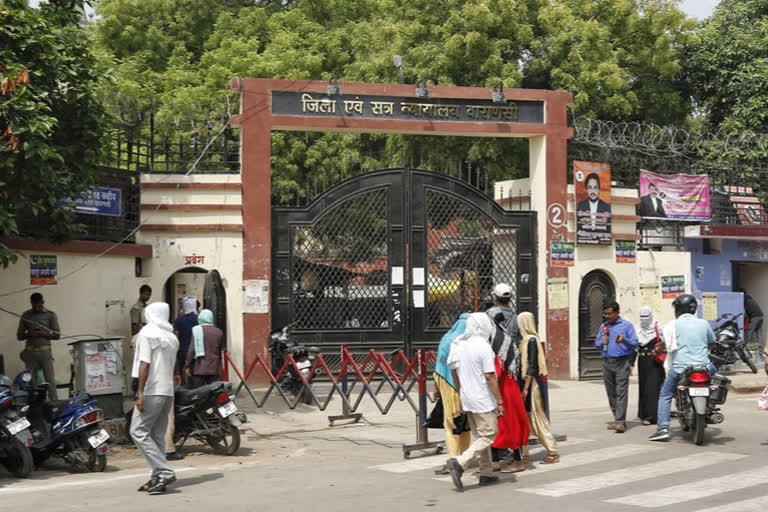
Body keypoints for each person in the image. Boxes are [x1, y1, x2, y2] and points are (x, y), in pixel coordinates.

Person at [445, 313, 504, 491]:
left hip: (468, 397)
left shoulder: (459, 345)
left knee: (479, 436)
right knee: (489, 435)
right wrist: (500, 400)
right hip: (482, 398)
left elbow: (454, 372)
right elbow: (490, 376)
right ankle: (459, 462)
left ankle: (487, 473)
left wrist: (461, 393)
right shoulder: (483, 347)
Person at [650, 294, 717, 442]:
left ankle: (663, 428)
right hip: (704, 367)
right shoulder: (704, 323)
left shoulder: (672, 325)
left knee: (665, 394)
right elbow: (712, 343)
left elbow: (666, 345)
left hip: (681, 368)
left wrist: (657, 350)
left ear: (679, 309)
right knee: (715, 377)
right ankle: (711, 404)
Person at [129, 302, 180, 494]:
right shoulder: (171, 337)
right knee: (157, 435)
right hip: (168, 392)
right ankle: (157, 477)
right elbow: (175, 364)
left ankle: (165, 472)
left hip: (152, 390)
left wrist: (140, 393)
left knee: (137, 431)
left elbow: (144, 364)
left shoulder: (147, 334)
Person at [488, 310, 529, 473]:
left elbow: (495, 372)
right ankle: (496, 460)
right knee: (507, 424)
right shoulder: (505, 337)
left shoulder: (495, 342)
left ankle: (515, 461)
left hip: (503, 389)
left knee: (506, 424)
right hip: (509, 387)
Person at [432, 313, 471, 474]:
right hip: (467, 387)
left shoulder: (447, 339)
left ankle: (453, 459)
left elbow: (439, 366)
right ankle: (464, 460)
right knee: (465, 425)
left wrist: (436, 388)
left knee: (451, 424)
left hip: (448, 386)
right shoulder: (470, 341)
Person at [517, 312, 559, 464]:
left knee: (537, 418)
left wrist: (526, 388)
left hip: (532, 386)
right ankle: (524, 454)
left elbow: (532, 366)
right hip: (527, 384)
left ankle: (552, 451)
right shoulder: (525, 341)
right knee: (525, 420)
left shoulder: (531, 341)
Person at [594, 300, 638, 434]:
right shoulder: (604, 326)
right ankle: (617, 417)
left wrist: (624, 339)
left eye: (610, 314)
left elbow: (635, 343)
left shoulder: (627, 326)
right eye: (605, 314)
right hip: (607, 362)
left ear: (617, 313)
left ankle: (620, 421)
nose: (607, 316)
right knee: (611, 392)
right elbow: (596, 343)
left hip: (622, 362)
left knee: (621, 392)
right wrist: (601, 343)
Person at [16, 293, 60, 401]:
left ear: (43, 302)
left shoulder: (50, 315)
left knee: (50, 381)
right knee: (31, 381)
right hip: (30, 353)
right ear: (31, 303)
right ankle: (34, 406)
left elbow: (57, 335)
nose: (37, 307)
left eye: (39, 305)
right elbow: (19, 336)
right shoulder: (26, 315)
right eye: (34, 304)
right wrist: (29, 333)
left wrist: (43, 333)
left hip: (45, 353)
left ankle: (54, 404)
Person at [635, 306, 665, 425]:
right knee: (643, 386)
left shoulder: (658, 327)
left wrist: (659, 348)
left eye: (646, 317)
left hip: (654, 360)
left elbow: (666, 341)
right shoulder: (637, 328)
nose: (644, 319)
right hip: (642, 360)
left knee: (652, 388)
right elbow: (635, 345)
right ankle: (644, 414)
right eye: (642, 317)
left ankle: (653, 415)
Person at [184, 309, 225, 388]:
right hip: (214, 368)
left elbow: (192, 350)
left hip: (199, 368)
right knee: (214, 393)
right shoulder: (219, 332)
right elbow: (220, 351)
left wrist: (187, 365)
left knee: (199, 394)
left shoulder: (196, 330)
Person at [173, 296, 199, 377]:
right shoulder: (198, 319)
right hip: (195, 351)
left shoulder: (179, 320)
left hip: (182, 351)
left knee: (182, 372)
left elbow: (176, 336)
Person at [739, 289, 764, 358]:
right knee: (759, 335)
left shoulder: (744, 299)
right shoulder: (750, 298)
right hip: (761, 316)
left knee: (749, 333)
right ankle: (760, 352)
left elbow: (744, 313)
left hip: (755, 317)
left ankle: (746, 350)